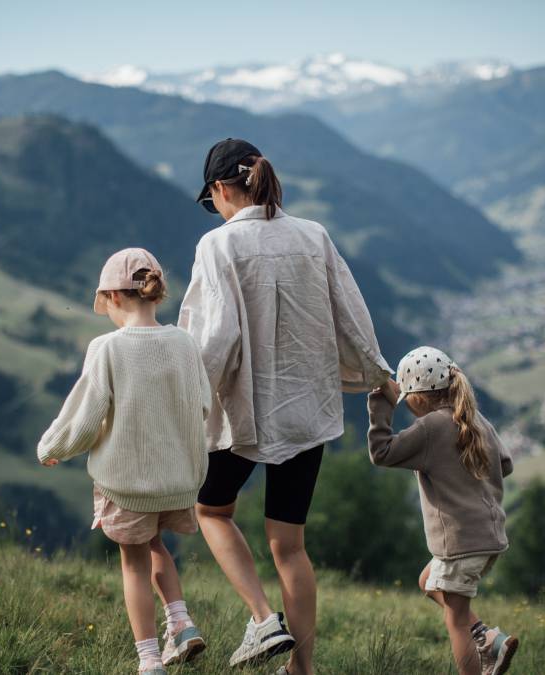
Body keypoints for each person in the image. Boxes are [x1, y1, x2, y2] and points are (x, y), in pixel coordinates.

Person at [179, 138, 391, 674]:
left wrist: (186, 402)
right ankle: (303, 669)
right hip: (306, 411)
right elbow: (351, 311)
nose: (215, 210)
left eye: (212, 200)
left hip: (245, 412)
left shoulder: (218, 246)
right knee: (290, 547)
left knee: (211, 510)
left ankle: (260, 619)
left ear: (222, 189)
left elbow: (216, 340)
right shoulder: (313, 236)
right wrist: (377, 373)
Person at [37, 248, 211, 675]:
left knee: (133, 563)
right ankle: (182, 623)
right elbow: (203, 405)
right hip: (178, 480)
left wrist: (52, 448)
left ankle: (149, 660)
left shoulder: (108, 348)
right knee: (156, 547)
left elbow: (84, 414)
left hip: (128, 484)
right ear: (154, 293)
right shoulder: (184, 343)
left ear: (114, 297)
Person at [367, 346, 520, 675]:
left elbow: (381, 452)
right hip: (489, 538)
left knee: (455, 621)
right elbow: (504, 464)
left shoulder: (430, 428)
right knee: (428, 581)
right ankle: (488, 638)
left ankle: (481, 659)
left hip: (461, 545)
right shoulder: (473, 417)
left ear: (417, 398)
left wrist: (381, 405)